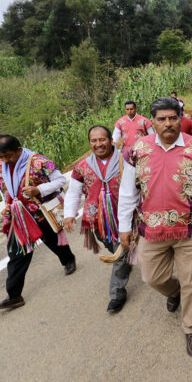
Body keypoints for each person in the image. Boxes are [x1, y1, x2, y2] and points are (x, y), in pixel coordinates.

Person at [117, 97, 192, 357]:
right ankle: (173, 292)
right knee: (152, 277)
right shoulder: (137, 150)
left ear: (181, 118)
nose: (168, 124)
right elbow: (128, 192)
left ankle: (191, 328)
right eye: (161, 119)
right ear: (151, 121)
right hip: (151, 231)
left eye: (173, 118)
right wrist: (123, 227)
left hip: (189, 230)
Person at [0, 135, 77, 310]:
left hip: (40, 213)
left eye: (8, 156)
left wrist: (39, 189)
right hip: (18, 216)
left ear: (19, 151)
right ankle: (14, 295)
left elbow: (60, 180)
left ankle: (68, 259)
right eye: (1, 157)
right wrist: (6, 205)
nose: (5, 160)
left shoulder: (39, 162)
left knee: (51, 239)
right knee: (17, 253)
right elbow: (3, 190)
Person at [64, 125, 131, 313]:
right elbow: (74, 191)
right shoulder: (82, 167)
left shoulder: (125, 159)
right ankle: (125, 258)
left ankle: (117, 294)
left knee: (121, 251)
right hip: (99, 220)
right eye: (94, 141)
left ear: (111, 140)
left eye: (102, 140)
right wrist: (70, 214)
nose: (98, 144)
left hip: (125, 216)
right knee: (113, 246)